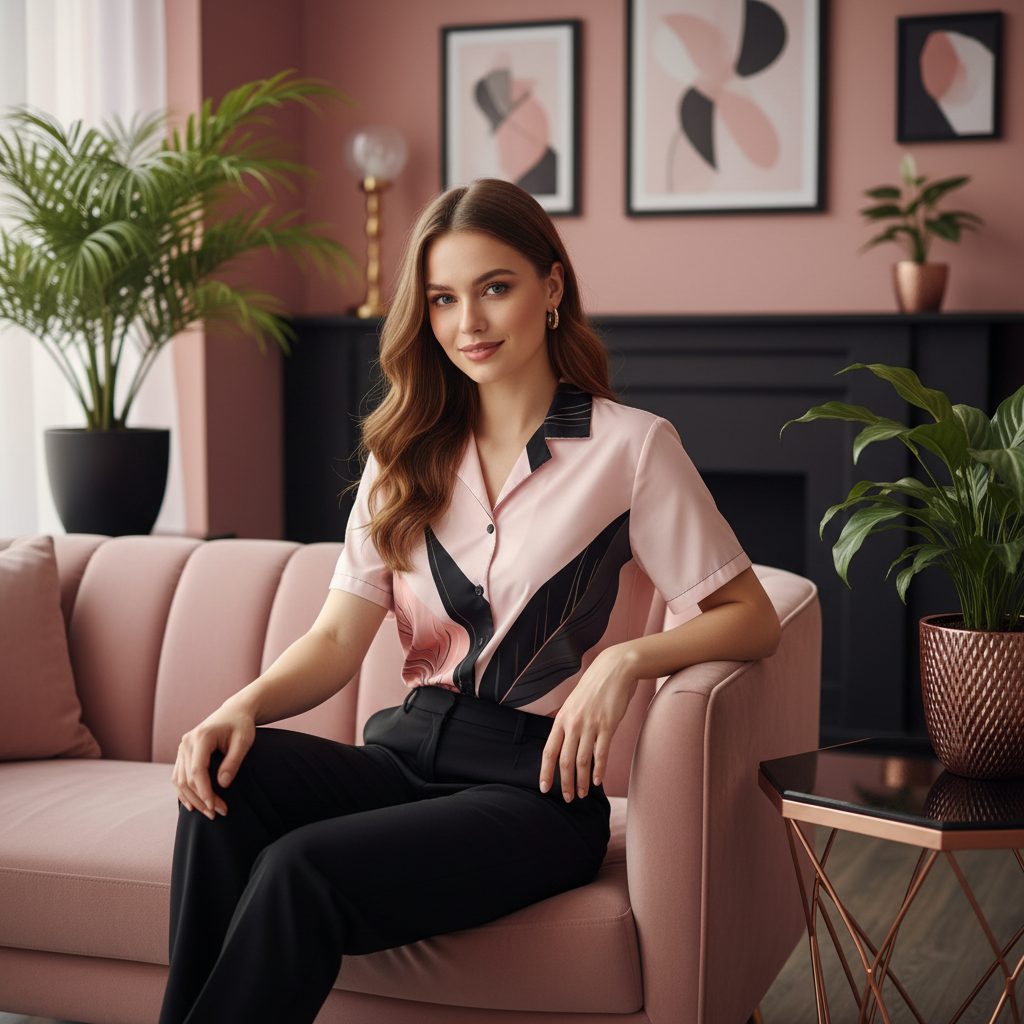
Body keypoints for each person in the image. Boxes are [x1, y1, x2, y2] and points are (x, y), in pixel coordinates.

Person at [159, 178, 781, 1024]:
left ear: (551, 288)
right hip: (404, 751)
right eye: (444, 300)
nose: (469, 324)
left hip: (534, 791)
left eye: (495, 288)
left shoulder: (631, 449)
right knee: (229, 781)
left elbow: (750, 616)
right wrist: (240, 707)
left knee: (298, 870)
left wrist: (631, 660)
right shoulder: (404, 453)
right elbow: (339, 639)